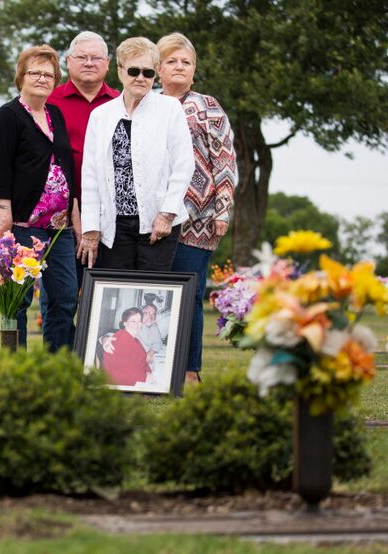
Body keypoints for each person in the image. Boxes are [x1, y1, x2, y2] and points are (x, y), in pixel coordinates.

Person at [157, 32, 238, 384]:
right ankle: (156, 370)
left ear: (194, 70)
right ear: (158, 68)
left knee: (189, 295)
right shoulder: (146, 105)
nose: (179, 67)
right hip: (155, 218)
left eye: (185, 62)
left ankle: (190, 369)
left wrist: (222, 209)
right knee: (158, 295)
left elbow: (224, 159)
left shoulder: (207, 106)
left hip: (199, 219)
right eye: (171, 60)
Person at [0, 45, 78, 352]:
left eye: (49, 74)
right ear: (21, 77)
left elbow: (66, 166)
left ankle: (58, 366)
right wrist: (5, 218)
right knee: (18, 299)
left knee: (65, 297)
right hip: (22, 224)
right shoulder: (7, 116)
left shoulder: (55, 114)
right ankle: (18, 367)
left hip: (59, 229)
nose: (42, 78)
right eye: (35, 73)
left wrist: (75, 216)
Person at [78, 37, 194, 271]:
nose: (140, 78)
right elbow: (90, 175)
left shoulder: (170, 109)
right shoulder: (101, 116)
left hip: (157, 224)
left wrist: (167, 215)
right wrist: (90, 227)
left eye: (148, 73)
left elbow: (184, 166)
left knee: (151, 296)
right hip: (114, 226)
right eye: (133, 71)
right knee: (116, 297)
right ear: (120, 72)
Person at [47, 31, 120, 289]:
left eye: (96, 58)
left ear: (108, 64)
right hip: (59, 215)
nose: (89, 63)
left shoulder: (121, 103)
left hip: (111, 213)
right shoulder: (49, 102)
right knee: (62, 297)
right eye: (82, 57)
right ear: (68, 61)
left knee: (108, 290)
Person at [99, 307, 151, 386]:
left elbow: (142, 360)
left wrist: (148, 371)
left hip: (136, 379)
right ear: (125, 323)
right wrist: (145, 378)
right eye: (133, 321)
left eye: (139, 321)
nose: (137, 324)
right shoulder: (120, 339)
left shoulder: (134, 338)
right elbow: (121, 371)